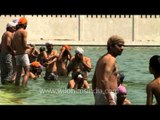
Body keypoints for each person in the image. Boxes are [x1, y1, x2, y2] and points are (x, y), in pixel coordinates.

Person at [92, 35, 125, 105]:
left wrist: (97, 95)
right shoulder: (110, 59)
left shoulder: (102, 58)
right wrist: (110, 99)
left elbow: (94, 80)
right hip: (108, 95)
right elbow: (104, 80)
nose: (122, 48)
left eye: (123, 46)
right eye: (119, 46)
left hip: (101, 94)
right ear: (111, 46)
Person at [12, 17, 33, 86]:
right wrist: (30, 47)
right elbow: (24, 45)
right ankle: (23, 88)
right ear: (24, 24)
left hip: (17, 55)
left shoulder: (15, 33)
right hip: (23, 55)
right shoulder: (23, 31)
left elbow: (14, 47)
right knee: (27, 72)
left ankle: (16, 88)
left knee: (18, 74)